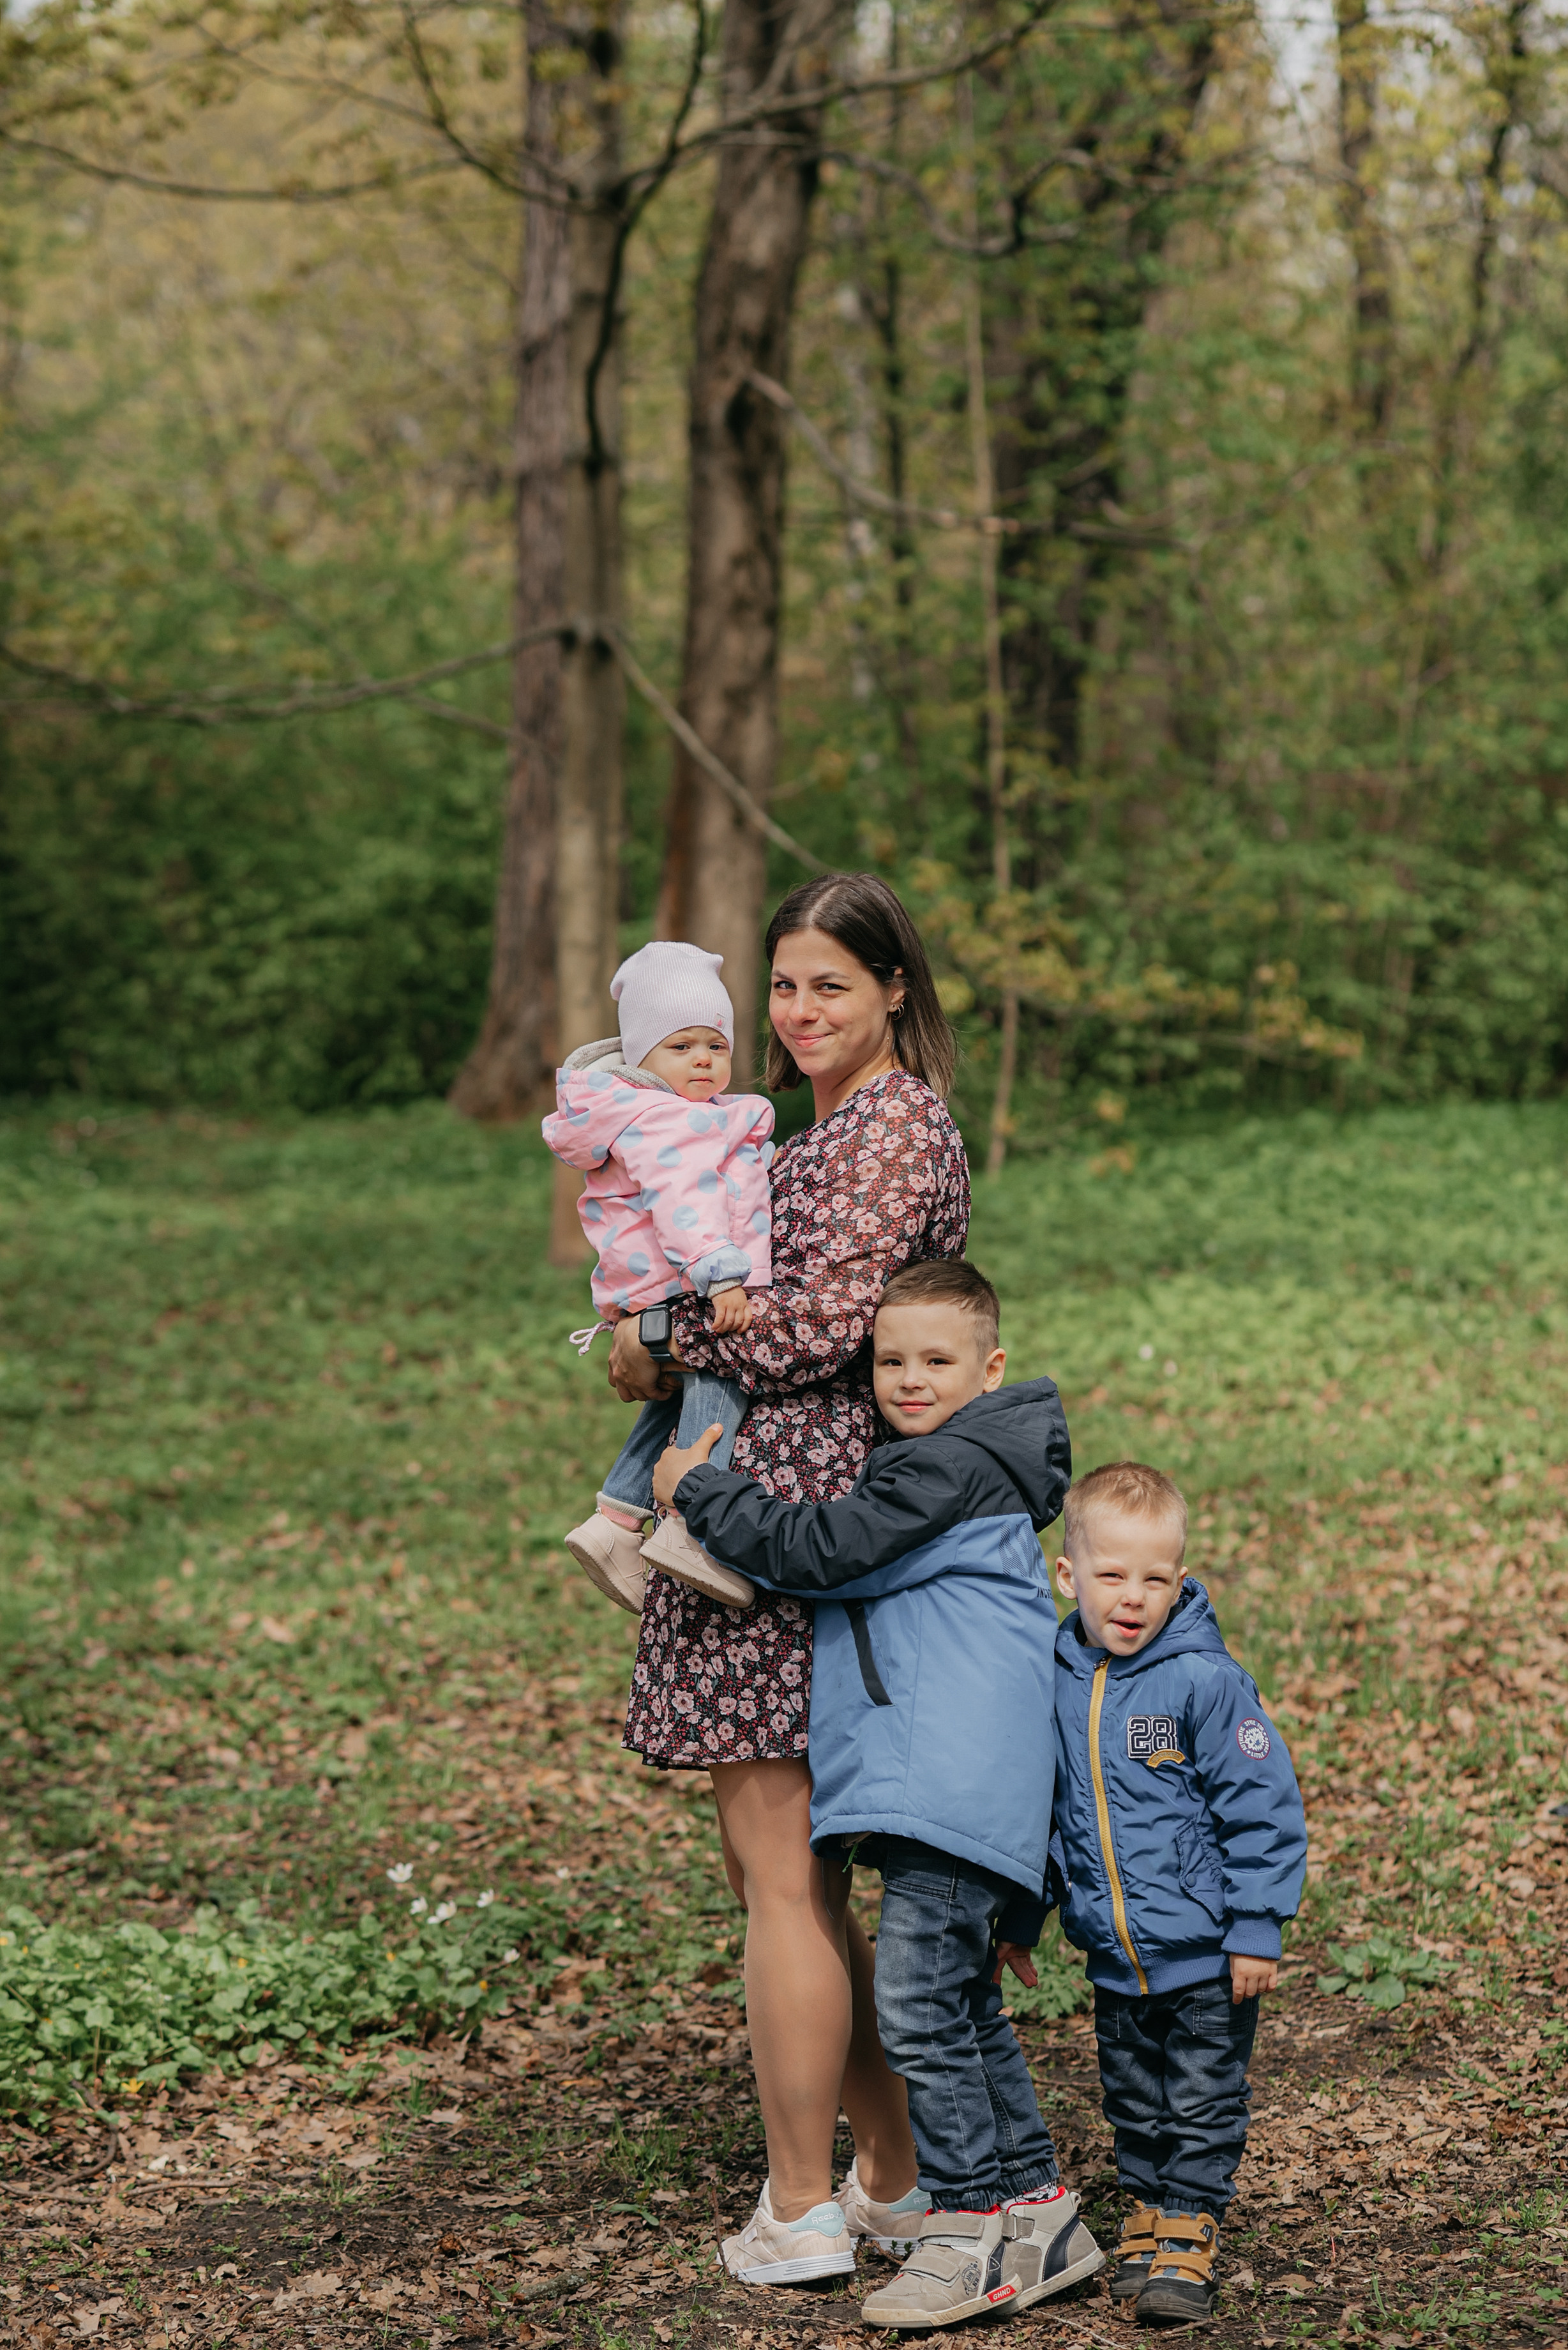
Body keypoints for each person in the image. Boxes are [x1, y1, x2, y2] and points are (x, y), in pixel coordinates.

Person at [607, 872, 969, 2286]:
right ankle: (886, 2171)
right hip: (765, 1493)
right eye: (783, 985)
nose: (800, 1010)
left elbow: (819, 1326)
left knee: (782, 1874)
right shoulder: (813, 1127)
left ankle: (804, 2207)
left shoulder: (895, 1125)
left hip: (790, 1516)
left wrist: (661, 1329)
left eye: (831, 981)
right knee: (790, 1875)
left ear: (892, 989)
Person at [652, 1257, 1106, 2326]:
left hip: (950, 1795)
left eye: (935, 1360)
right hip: (962, 1797)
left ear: (989, 1370)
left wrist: (694, 1489)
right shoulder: (963, 1465)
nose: (906, 1379)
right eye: (888, 1359)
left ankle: (966, 2234)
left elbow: (819, 1549)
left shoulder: (939, 1474)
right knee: (959, 2010)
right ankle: (1037, 2216)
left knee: (917, 2014)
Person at [1041, 1461, 1308, 2325]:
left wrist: (1257, 1926)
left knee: (1201, 2094)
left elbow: (1263, 1806)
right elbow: (1047, 1813)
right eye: (1112, 1576)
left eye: (1154, 1579)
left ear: (1179, 1583)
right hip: (1115, 1956)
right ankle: (1150, 2217)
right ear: (1069, 1576)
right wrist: (1027, 1913)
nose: (1132, 1597)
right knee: (1133, 2097)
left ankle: (1189, 2235)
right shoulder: (1059, 1679)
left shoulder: (1204, 1680)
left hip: (1203, 1953)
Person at [541, 940, 770, 1614]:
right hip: (689, 1281)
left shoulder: (645, 1111)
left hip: (655, 1288)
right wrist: (721, 1274)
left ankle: (614, 1520)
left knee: (670, 1402)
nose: (702, 1059)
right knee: (720, 1378)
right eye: (681, 1046)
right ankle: (690, 1526)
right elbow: (685, 1199)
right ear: (642, 1055)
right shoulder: (668, 1119)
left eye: (714, 1045)